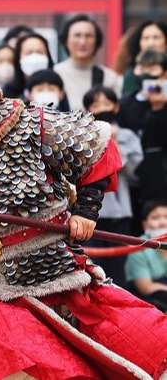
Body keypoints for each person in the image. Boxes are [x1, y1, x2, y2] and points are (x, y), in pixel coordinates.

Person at [0, 34, 167, 380]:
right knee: (6, 357)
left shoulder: (28, 124)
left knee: (129, 344)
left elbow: (98, 146)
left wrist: (86, 212)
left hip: (55, 271)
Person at [82, 86, 143, 290]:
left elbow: (136, 171)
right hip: (89, 214)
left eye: (106, 103)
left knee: (118, 267)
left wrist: (115, 144)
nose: (102, 108)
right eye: (95, 104)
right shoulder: (82, 135)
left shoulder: (127, 135)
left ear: (116, 107)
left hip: (120, 210)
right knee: (92, 265)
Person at [119, 49, 167, 204]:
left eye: (152, 69)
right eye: (141, 68)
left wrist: (158, 109)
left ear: (164, 73)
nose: (146, 73)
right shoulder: (127, 102)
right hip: (133, 175)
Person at [54, 14, 121, 111]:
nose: (83, 41)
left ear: (97, 41)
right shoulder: (55, 74)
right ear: (66, 40)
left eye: (88, 36)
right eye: (77, 35)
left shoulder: (109, 77)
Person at [125, 200, 167, 312]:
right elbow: (145, 288)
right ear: (145, 225)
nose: (162, 222)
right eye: (155, 218)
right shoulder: (137, 249)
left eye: (166, 217)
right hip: (149, 298)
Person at [120, 20, 167, 96]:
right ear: (139, 43)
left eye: (156, 38)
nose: (150, 43)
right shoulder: (132, 74)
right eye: (146, 38)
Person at [3, 32, 55, 100]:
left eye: (40, 52)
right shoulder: (8, 93)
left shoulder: (57, 87)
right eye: (28, 53)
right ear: (19, 58)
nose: (35, 57)